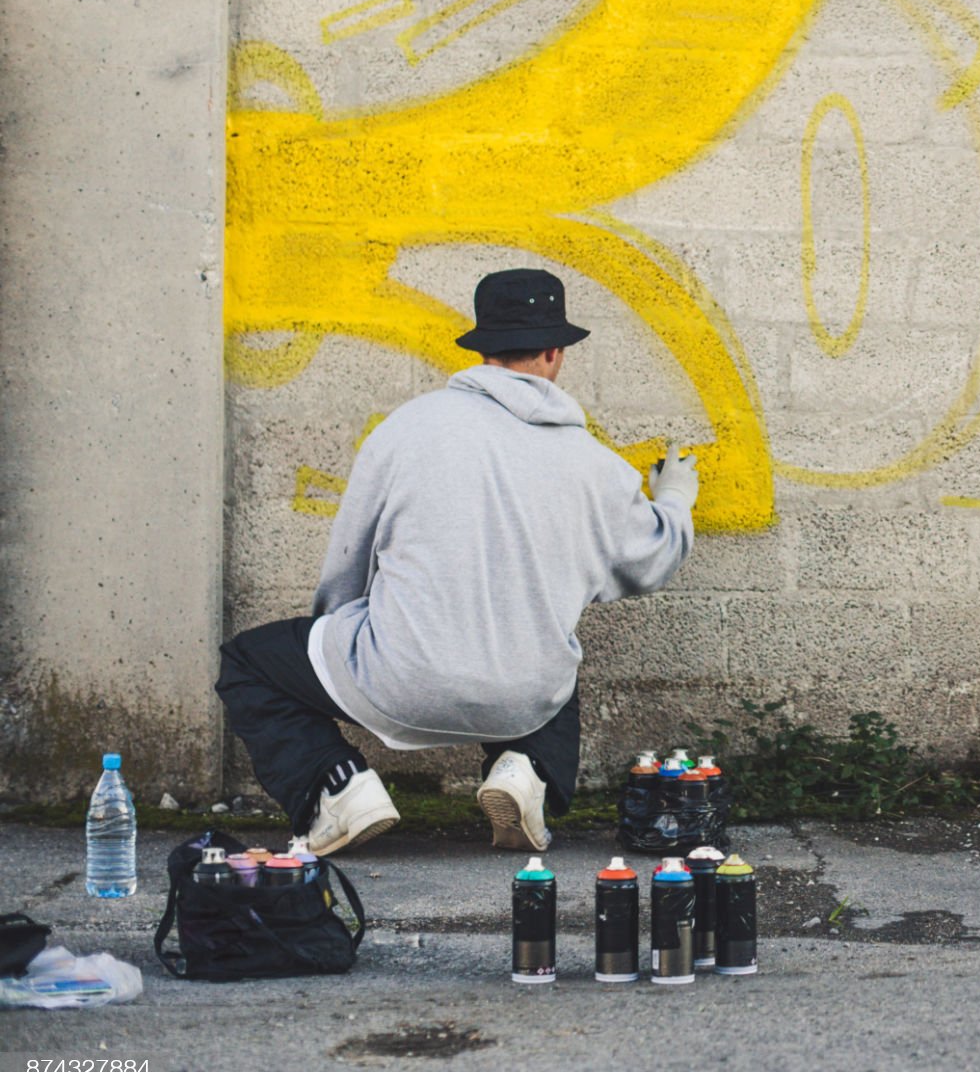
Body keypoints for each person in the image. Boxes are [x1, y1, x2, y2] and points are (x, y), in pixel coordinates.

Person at [214, 268, 697, 854]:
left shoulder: (407, 429)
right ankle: (527, 772)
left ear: (482, 347)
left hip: (397, 681)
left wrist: (340, 646)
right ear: (555, 352)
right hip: (523, 699)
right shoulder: (594, 464)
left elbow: (350, 557)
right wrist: (673, 497)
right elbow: (653, 559)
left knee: (248, 662)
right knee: (553, 664)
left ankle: (337, 787)